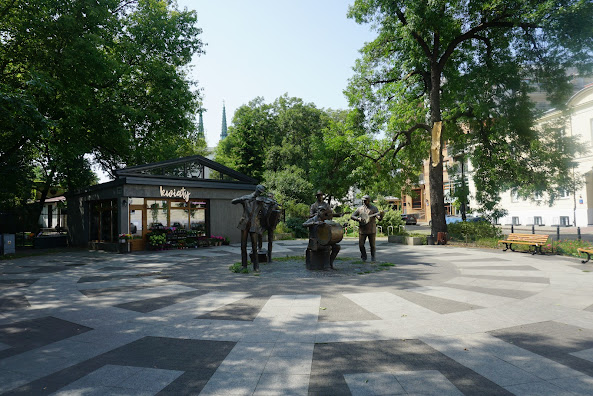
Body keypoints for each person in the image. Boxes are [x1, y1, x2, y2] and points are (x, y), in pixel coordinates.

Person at [232, 185, 266, 271]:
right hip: (244, 223)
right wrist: (241, 199)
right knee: (243, 245)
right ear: (256, 190)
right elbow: (233, 201)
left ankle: (256, 266)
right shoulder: (247, 197)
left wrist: (265, 206)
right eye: (259, 192)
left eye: (261, 193)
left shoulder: (261, 201)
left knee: (254, 246)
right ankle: (244, 265)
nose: (260, 194)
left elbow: (264, 214)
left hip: (254, 224)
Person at [351, 195, 383, 262]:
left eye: (365, 200)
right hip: (362, 230)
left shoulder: (374, 208)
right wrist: (358, 219)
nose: (364, 202)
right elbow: (352, 216)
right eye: (363, 200)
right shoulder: (360, 209)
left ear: (369, 200)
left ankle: (373, 257)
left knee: (372, 245)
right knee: (361, 245)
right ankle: (364, 256)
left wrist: (382, 215)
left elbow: (379, 218)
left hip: (371, 229)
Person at [258, 193, 281, 263]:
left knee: (270, 240)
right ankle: (259, 248)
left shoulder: (275, 205)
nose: (269, 198)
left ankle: (270, 254)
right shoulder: (263, 205)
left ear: (273, 197)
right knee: (259, 233)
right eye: (268, 196)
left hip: (271, 225)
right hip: (264, 224)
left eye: (270, 196)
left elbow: (278, 215)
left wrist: (276, 222)